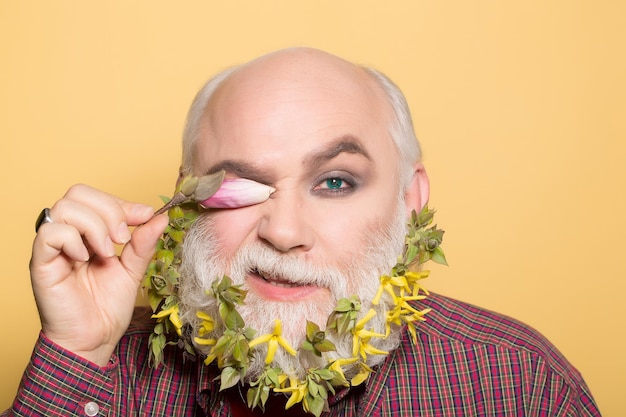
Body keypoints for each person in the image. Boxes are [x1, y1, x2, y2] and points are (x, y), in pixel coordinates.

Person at [3, 48, 600, 416]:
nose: (284, 232)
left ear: (409, 200)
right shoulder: (108, 374)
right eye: (242, 184)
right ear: (187, 199)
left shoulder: (519, 386)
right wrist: (76, 355)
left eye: (335, 182)